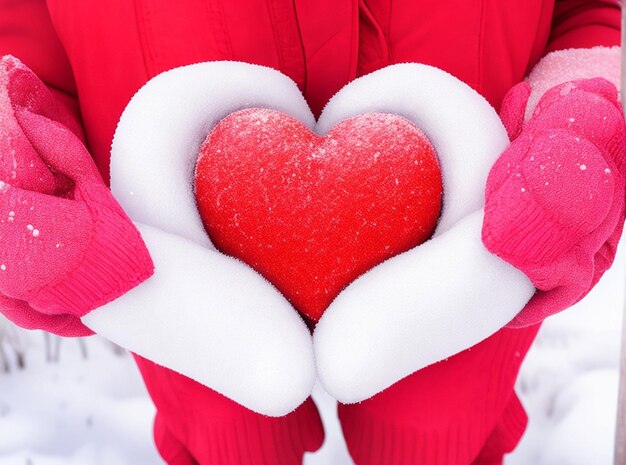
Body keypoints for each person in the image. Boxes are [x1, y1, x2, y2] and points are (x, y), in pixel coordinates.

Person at [0, 1, 623, 465]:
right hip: (178, 301)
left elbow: (589, 11)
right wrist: (22, 162)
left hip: (469, 285)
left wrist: (582, 109)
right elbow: (20, 37)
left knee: (440, 436)